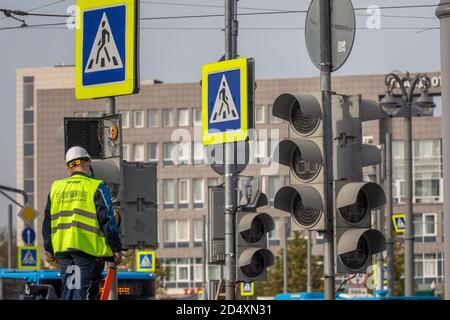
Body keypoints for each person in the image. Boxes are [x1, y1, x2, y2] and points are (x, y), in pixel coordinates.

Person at [42, 146, 122, 300]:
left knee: (69, 293)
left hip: (63, 252)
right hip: (87, 250)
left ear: (68, 167)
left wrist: (50, 249)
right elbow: (107, 221)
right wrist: (116, 249)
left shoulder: (56, 188)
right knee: (83, 294)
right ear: (87, 164)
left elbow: (47, 223)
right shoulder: (96, 186)